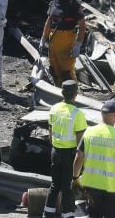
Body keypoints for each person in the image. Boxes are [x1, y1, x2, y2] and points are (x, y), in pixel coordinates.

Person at [72, 99, 115, 218]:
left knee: (94, 215)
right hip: (112, 189)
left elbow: (78, 157)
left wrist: (75, 178)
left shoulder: (88, 133)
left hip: (91, 187)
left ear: (101, 115)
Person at [43, 80, 87, 218]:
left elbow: (50, 133)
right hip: (70, 154)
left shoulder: (54, 108)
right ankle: (67, 215)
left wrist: (57, 145)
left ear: (62, 93)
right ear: (75, 94)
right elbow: (81, 143)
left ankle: (48, 213)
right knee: (68, 187)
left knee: (55, 185)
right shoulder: (77, 114)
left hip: (55, 152)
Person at [39, 0, 86, 86]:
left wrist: (78, 44)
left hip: (67, 39)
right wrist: (43, 38)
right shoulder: (54, 1)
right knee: (54, 67)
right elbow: (49, 21)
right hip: (53, 38)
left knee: (66, 71)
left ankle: (71, 96)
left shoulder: (74, 4)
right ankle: (59, 93)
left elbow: (82, 26)